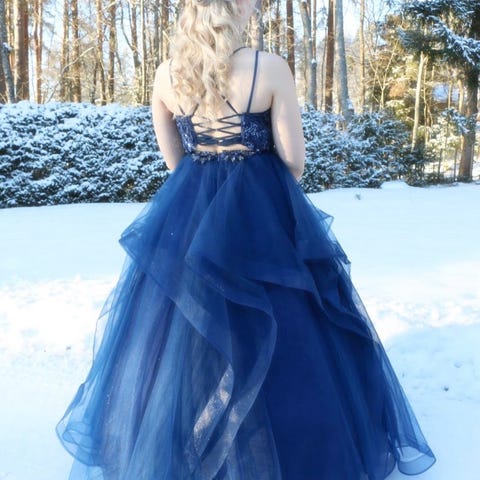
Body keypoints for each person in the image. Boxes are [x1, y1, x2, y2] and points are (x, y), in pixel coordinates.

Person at [56, 0, 437, 478]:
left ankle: (183, 440)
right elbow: (294, 160)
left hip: (192, 211)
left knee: (183, 332)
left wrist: (206, 191)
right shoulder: (269, 68)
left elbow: (173, 161)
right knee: (287, 319)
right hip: (261, 211)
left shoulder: (166, 75)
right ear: (237, 8)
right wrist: (258, 187)